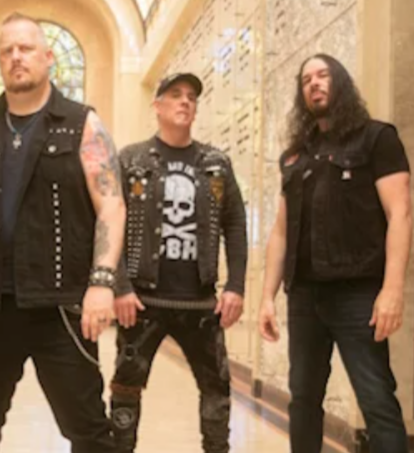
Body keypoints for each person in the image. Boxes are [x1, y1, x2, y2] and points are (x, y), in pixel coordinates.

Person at [0, 12, 125, 453]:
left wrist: (103, 282)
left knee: (89, 430)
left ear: (48, 57)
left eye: (26, 48)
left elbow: (111, 205)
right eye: (6, 50)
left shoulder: (82, 123)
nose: (16, 57)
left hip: (62, 306)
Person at [258, 53, 412, 453]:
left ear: (340, 82)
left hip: (357, 293)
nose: (314, 83)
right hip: (304, 296)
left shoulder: (377, 139)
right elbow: (280, 231)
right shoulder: (295, 156)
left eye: (323, 75)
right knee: (303, 400)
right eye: (306, 79)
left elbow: (400, 214)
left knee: (376, 400)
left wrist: (392, 290)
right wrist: (267, 297)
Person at [109, 73, 248, 453]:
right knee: (125, 389)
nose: (185, 101)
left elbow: (235, 223)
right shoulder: (131, 160)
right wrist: (119, 286)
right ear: (157, 106)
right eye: (175, 95)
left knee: (216, 389)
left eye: (191, 97)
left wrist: (235, 285)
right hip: (142, 303)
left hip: (200, 303)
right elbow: (109, 222)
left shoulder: (216, 164)